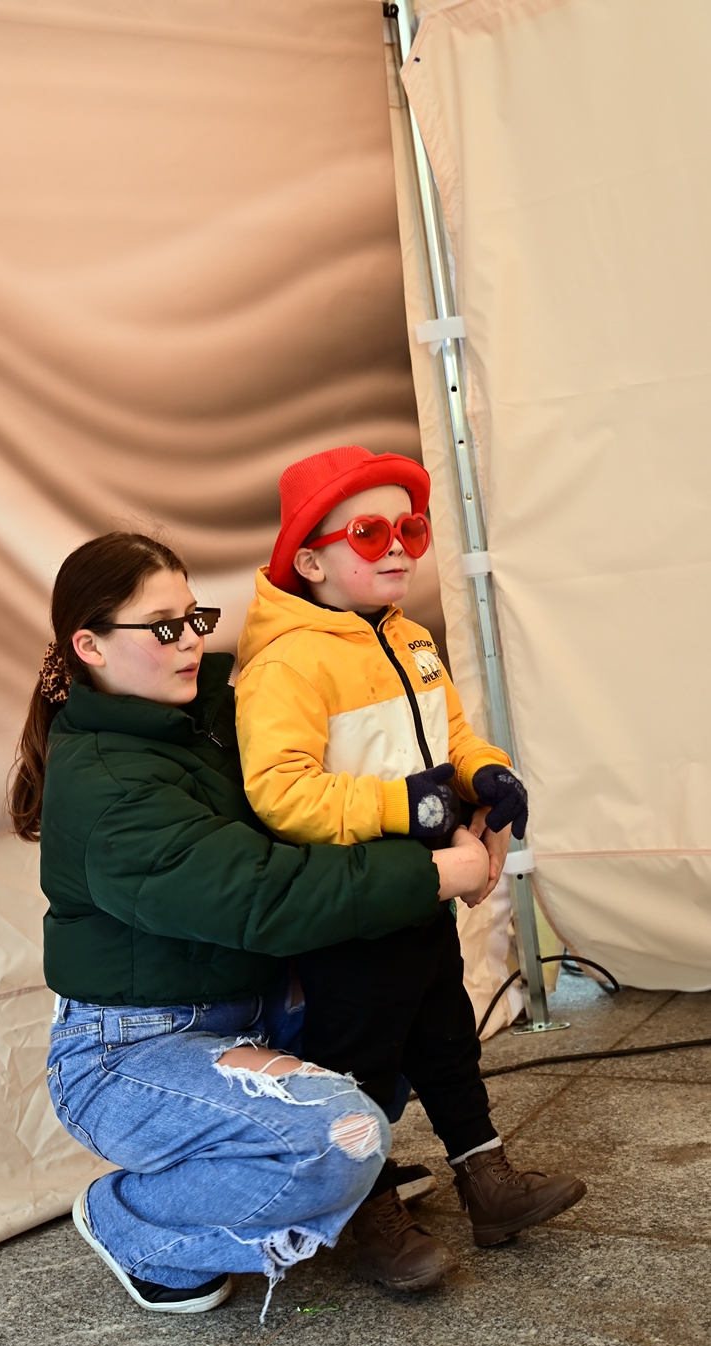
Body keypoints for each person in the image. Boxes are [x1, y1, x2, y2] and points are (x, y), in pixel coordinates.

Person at [10, 531, 491, 1317]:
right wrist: (438, 872)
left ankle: (325, 1184)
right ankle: (133, 1225)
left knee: (390, 992)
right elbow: (265, 898)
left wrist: (472, 805)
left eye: (194, 617)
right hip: (132, 1052)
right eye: (163, 627)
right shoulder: (107, 788)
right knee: (344, 1136)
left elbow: (342, 781)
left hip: (254, 1010)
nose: (191, 641)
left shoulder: (216, 712)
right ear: (89, 646)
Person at [234, 447, 586, 1293]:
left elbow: (451, 737)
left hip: (423, 891)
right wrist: (412, 807)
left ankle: (487, 1182)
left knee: (445, 1036)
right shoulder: (287, 662)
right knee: (355, 1060)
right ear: (311, 561)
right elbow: (280, 792)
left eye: (412, 528)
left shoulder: (409, 636)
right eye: (369, 532)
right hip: (353, 904)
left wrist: (486, 774)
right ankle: (366, 1214)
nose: (397, 546)